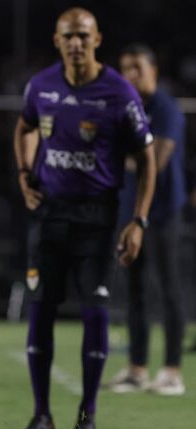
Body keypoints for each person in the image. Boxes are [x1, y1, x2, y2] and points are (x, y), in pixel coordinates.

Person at [13, 8, 156, 429]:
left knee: (95, 313)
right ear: (57, 41)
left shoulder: (119, 92)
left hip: (97, 218)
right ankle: (42, 417)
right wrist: (24, 175)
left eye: (83, 36)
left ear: (97, 40)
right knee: (39, 312)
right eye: (68, 36)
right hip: (49, 214)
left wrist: (139, 221)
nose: (76, 43)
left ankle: (85, 417)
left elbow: (148, 158)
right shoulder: (41, 86)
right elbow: (24, 129)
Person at [105, 44, 188, 396]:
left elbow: (155, 161)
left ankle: (172, 371)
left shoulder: (166, 108)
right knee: (134, 291)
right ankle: (137, 369)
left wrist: (114, 158)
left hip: (164, 211)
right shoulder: (125, 108)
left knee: (169, 289)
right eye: (126, 68)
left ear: (154, 69)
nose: (131, 75)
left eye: (137, 67)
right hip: (130, 211)